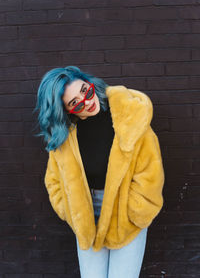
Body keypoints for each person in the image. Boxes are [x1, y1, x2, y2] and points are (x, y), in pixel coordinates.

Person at [33, 65, 165, 278]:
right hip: (86, 216)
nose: (87, 101)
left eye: (86, 90)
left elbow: (150, 170)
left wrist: (137, 213)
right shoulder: (65, 135)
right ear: (64, 110)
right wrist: (69, 210)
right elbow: (54, 178)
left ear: (90, 83)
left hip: (125, 211)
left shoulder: (129, 116)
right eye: (75, 103)